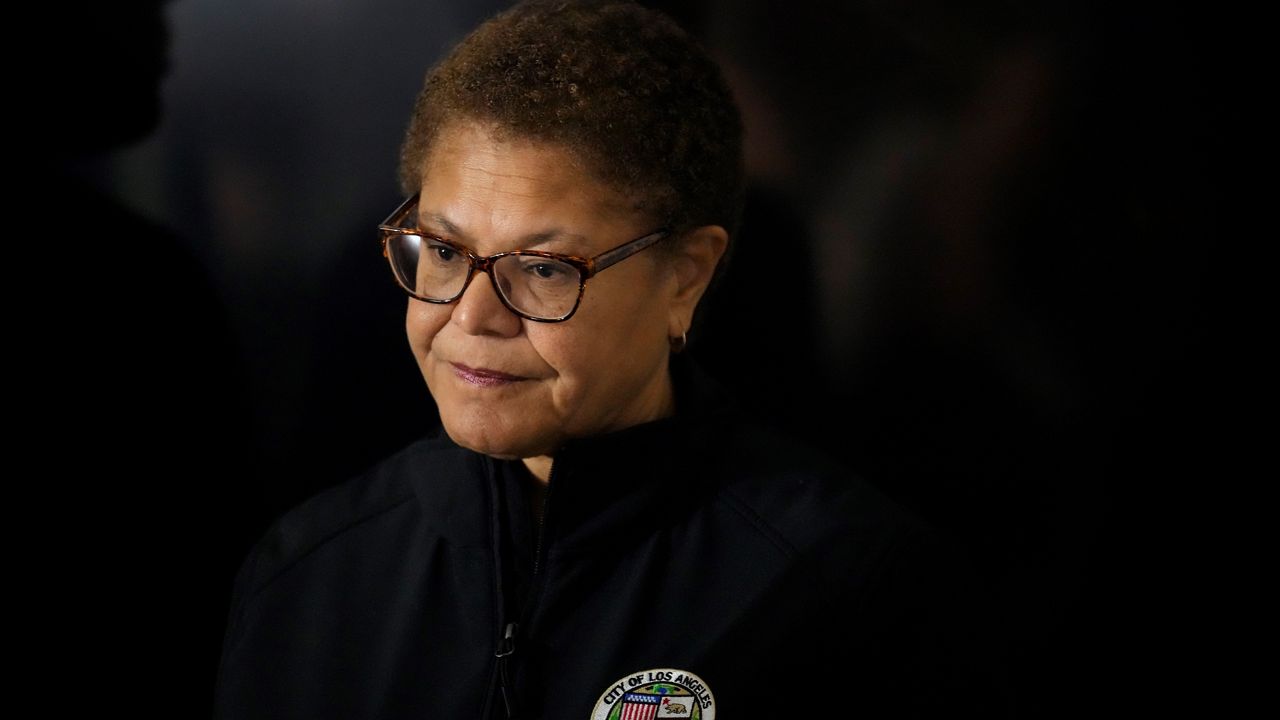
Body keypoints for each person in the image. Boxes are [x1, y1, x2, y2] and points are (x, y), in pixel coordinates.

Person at [212, 1, 1013, 717]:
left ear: (686, 277)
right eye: (445, 251)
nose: (473, 318)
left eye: (546, 268)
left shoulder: (844, 590)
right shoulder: (310, 575)